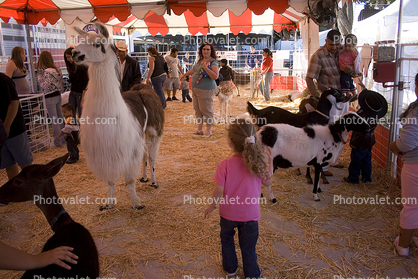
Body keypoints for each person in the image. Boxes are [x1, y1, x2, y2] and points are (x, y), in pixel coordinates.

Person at [204, 119, 273, 278]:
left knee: (227, 241)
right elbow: (268, 181)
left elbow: (218, 189)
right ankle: (252, 274)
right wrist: (269, 161)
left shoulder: (225, 164)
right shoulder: (257, 163)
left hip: (228, 214)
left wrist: (212, 205)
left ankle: (231, 270)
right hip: (250, 216)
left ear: (230, 142)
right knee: (248, 247)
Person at [306, 29, 347, 176]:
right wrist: (315, 97)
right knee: (329, 132)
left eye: (337, 44)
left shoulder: (344, 51)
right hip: (329, 99)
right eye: (331, 44)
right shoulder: (318, 55)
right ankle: (322, 166)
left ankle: (333, 159)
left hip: (344, 97)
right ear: (326, 42)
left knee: (342, 130)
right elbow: (309, 78)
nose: (335, 47)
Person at [390, 73, 418, 257]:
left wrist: (393, 146)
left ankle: (404, 246)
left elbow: (407, 143)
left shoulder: (415, 112)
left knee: (411, 205)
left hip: (415, 164)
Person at [344, 90, 388, 184]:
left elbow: (355, 124)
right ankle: (366, 178)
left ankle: (353, 178)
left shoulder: (362, 115)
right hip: (370, 139)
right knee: (367, 159)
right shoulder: (374, 115)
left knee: (356, 159)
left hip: (360, 140)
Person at [180, 42, 219, 138]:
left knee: (206, 109)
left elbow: (215, 76)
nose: (206, 51)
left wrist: (206, 68)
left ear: (211, 51)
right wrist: (185, 74)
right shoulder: (200, 60)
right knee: (197, 109)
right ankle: (200, 129)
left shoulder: (213, 62)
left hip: (206, 89)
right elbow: (194, 70)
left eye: (208, 49)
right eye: (204, 49)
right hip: (195, 88)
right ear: (201, 50)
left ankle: (208, 131)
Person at [0, 73, 33, 180]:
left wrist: (7, 126)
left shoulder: (3, 79)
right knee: (9, 164)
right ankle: (16, 192)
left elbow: (14, 102)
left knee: (25, 163)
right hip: (2, 131)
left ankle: (32, 190)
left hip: (15, 129)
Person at [37, 51, 65, 148]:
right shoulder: (57, 70)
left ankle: (57, 141)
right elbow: (62, 83)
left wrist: (40, 79)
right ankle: (64, 138)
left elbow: (46, 86)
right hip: (57, 95)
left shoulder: (46, 72)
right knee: (60, 118)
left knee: (54, 119)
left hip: (49, 96)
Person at [6, 46, 33, 134]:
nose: (25, 55)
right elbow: (8, 79)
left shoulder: (20, 64)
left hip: (26, 94)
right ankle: (24, 133)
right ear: (19, 54)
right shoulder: (11, 63)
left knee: (28, 115)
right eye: (23, 53)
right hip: (19, 95)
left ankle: (28, 133)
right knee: (23, 115)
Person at [64, 47, 89, 118]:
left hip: (80, 93)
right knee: (70, 113)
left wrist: (83, 97)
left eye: (69, 57)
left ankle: (82, 128)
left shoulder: (82, 66)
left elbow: (85, 83)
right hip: (73, 92)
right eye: (67, 58)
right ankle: (72, 127)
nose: (68, 59)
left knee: (82, 113)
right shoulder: (71, 67)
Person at [339, 34, 364, 99]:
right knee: (349, 81)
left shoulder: (354, 53)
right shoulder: (343, 49)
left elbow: (357, 63)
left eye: (349, 46)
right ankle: (354, 94)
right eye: (346, 46)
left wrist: (357, 71)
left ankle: (347, 94)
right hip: (342, 68)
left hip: (348, 69)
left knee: (344, 80)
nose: (347, 48)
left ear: (354, 45)